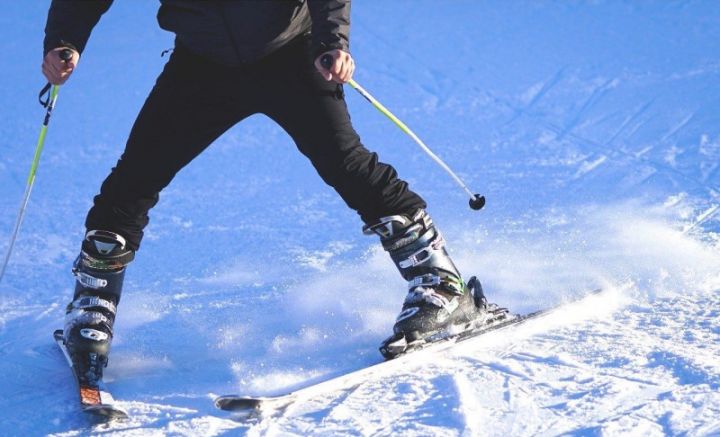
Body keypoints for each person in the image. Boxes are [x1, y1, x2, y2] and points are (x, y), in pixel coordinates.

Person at [42, 0, 478, 382]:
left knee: (346, 164)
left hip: (291, 53)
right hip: (201, 65)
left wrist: (332, 42)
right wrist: (66, 40)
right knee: (134, 179)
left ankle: (439, 281)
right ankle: (92, 306)